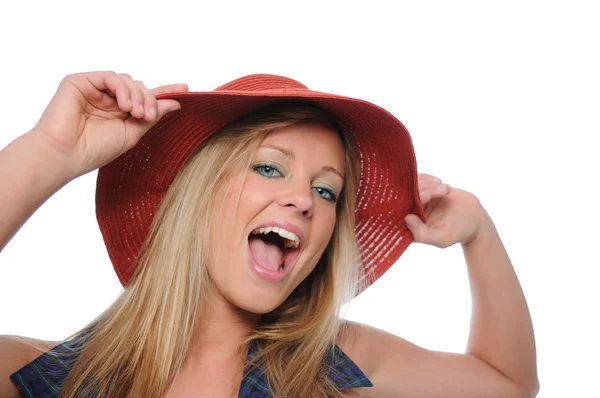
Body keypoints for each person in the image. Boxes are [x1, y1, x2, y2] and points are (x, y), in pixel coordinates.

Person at [0, 71, 539, 397]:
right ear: (199, 193)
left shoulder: (331, 364)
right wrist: (46, 154)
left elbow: (507, 383)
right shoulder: (48, 377)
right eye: (268, 168)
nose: (303, 200)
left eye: (327, 192)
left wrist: (480, 233)